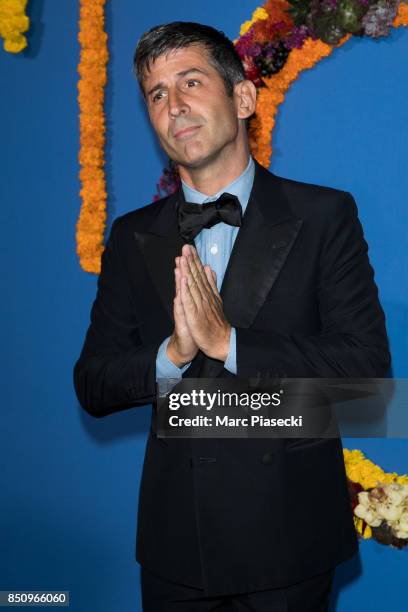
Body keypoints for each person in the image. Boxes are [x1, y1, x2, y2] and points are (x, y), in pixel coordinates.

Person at [73, 21, 391, 612]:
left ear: (243, 98)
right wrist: (173, 356)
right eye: (157, 93)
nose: (174, 106)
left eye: (190, 82)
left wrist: (230, 343)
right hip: (176, 551)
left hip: (290, 544)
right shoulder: (131, 236)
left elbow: (367, 375)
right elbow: (93, 383)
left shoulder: (324, 216)